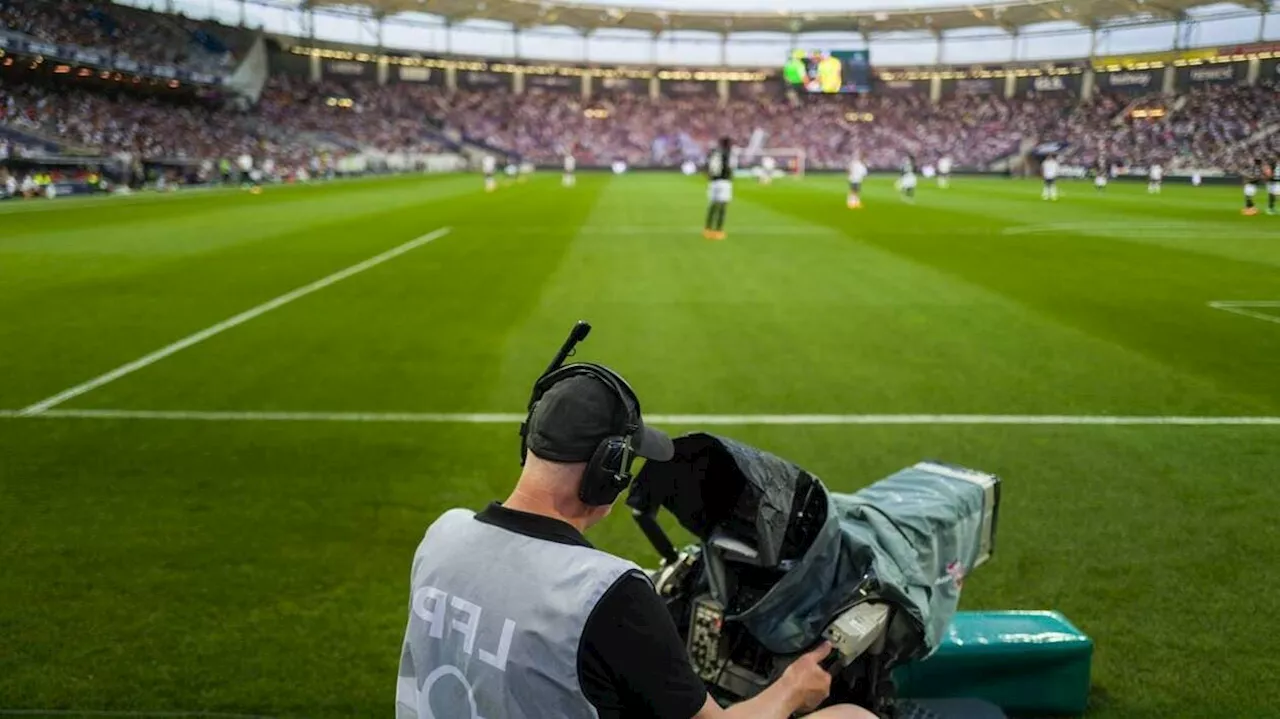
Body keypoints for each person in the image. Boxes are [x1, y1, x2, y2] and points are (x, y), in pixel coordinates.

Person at [395, 364, 876, 719]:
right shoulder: (603, 592)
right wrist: (792, 688)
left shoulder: (443, 534)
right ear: (608, 473)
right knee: (852, 718)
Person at [704, 136, 733, 240]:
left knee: (712, 205)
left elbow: (707, 166)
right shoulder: (727, 153)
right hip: (724, 182)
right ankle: (718, 230)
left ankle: (707, 229)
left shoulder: (714, 152)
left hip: (713, 182)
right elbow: (730, 166)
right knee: (722, 206)